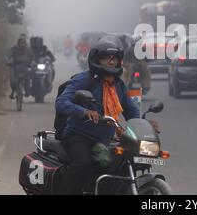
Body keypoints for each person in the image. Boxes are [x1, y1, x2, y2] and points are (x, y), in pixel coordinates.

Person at [55, 40, 160, 195]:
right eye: (106, 57)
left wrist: (144, 124)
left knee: (123, 163)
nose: (111, 61)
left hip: (104, 140)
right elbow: (61, 102)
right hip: (78, 136)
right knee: (83, 163)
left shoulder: (118, 84)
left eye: (114, 58)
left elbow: (131, 111)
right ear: (96, 60)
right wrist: (84, 112)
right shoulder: (84, 79)